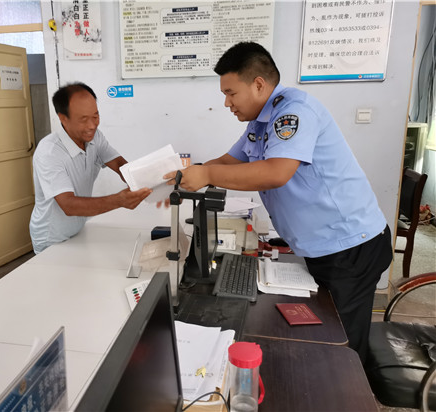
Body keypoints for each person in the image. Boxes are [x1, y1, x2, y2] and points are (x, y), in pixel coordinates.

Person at [164, 42, 392, 364]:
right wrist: (188, 176)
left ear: (258, 84)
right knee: (324, 335)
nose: (227, 103)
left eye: (231, 93)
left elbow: (276, 172)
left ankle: (353, 388)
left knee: (341, 346)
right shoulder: (259, 122)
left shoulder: (293, 112)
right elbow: (229, 161)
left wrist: (207, 174)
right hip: (325, 246)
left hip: (350, 246)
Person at [30, 82, 151, 254]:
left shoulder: (95, 137)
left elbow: (120, 165)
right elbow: (69, 205)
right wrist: (119, 200)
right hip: (52, 238)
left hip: (78, 230)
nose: (92, 125)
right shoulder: (49, 152)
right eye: (83, 119)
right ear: (63, 118)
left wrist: (152, 182)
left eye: (95, 116)